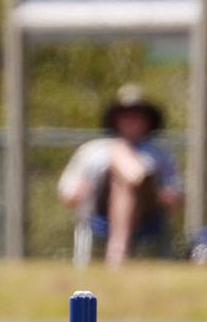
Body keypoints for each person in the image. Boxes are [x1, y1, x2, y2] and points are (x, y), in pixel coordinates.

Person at [58, 84, 182, 265]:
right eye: (126, 115)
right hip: (101, 208)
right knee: (119, 162)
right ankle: (136, 176)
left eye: (138, 116)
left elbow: (177, 196)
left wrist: (168, 195)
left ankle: (117, 254)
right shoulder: (93, 150)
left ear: (148, 121)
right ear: (116, 119)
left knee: (126, 178)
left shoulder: (160, 154)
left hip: (148, 209)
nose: (132, 120)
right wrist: (78, 191)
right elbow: (67, 193)